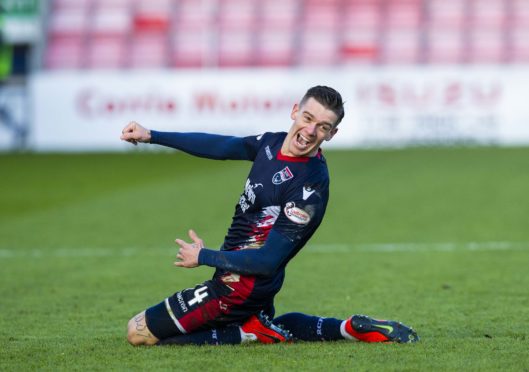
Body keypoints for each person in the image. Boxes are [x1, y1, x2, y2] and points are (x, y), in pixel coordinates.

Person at [121, 86, 419, 346]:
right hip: (238, 275)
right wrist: (152, 136)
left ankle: (247, 334)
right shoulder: (272, 143)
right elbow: (224, 146)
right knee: (249, 323)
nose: (311, 131)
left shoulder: (309, 188)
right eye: (308, 118)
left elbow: (266, 262)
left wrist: (204, 256)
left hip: (240, 287)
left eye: (324, 127)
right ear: (294, 112)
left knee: (138, 332)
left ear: (332, 134)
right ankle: (341, 328)